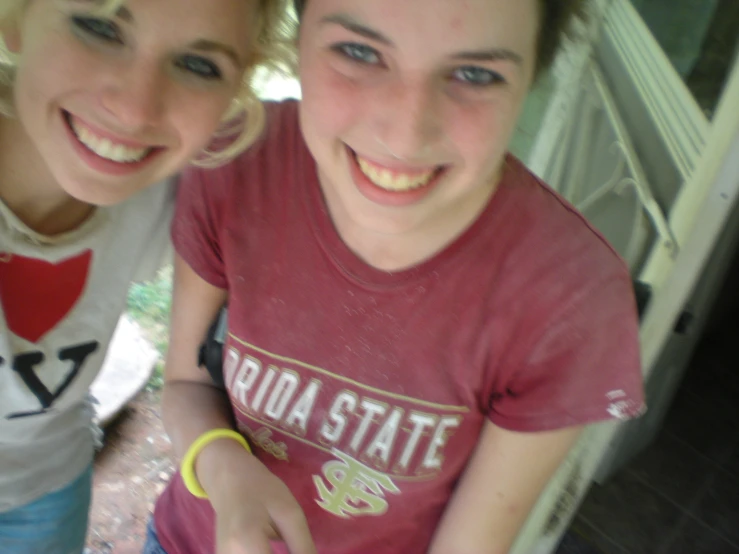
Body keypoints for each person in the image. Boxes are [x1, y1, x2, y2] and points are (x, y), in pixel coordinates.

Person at [149, 0, 646, 552]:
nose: (406, 136)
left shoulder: (570, 296)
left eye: (476, 74)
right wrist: (225, 470)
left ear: (533, 76)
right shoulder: (237, 160)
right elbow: (185, 384)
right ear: (297, 39)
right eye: (359, 52)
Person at [0, 0, 293, 552]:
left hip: (46, 487)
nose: (134, 109)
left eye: (199, 65)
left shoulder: (173, 198)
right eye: (98, 27)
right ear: (16, 19)